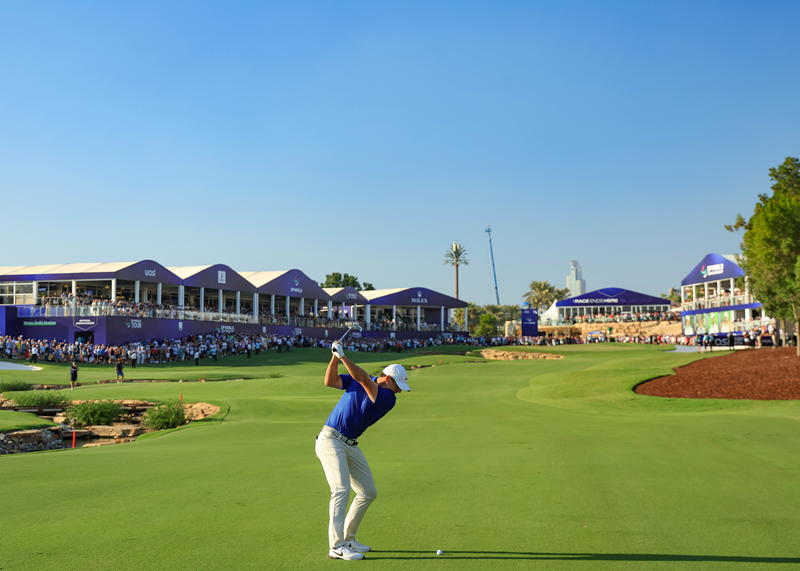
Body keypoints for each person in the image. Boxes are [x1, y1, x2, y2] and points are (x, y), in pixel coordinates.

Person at [315, 341, 410, 561]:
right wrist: (334, 357)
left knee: (368, 492)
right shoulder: (361, 381)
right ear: (388, 378)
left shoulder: (388, 399)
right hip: (330, 440)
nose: (399, 390)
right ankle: (336, 546)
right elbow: (330, 381)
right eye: (398, 385)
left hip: (350, 444)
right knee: (341, 490)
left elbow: (364, 380)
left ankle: (348, 539)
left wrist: (342, 356)